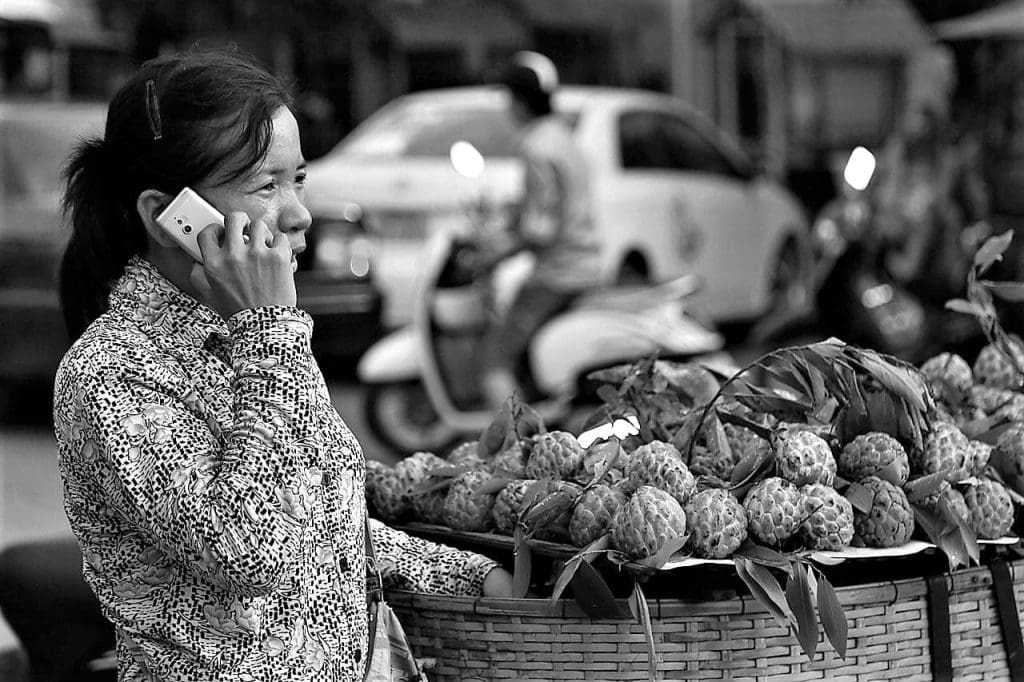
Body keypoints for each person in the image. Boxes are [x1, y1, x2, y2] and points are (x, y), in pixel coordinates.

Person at [51, 49, 513, 681]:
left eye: (299, 178)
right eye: (266, 185)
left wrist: (477, 575)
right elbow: (254, 553)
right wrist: (270, 334)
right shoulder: (110, 372)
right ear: (169, 217)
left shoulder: (256, 341)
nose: (298, 214)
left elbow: (328, 533)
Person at [478, 51, 602, 409]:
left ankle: (519, 443)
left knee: (493, 359)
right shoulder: (564, 138)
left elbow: (541, 229)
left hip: (557, 273)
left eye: (508, 99)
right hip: (587, 266)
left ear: (519, 101)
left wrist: (494, 255)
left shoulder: (535, 146)